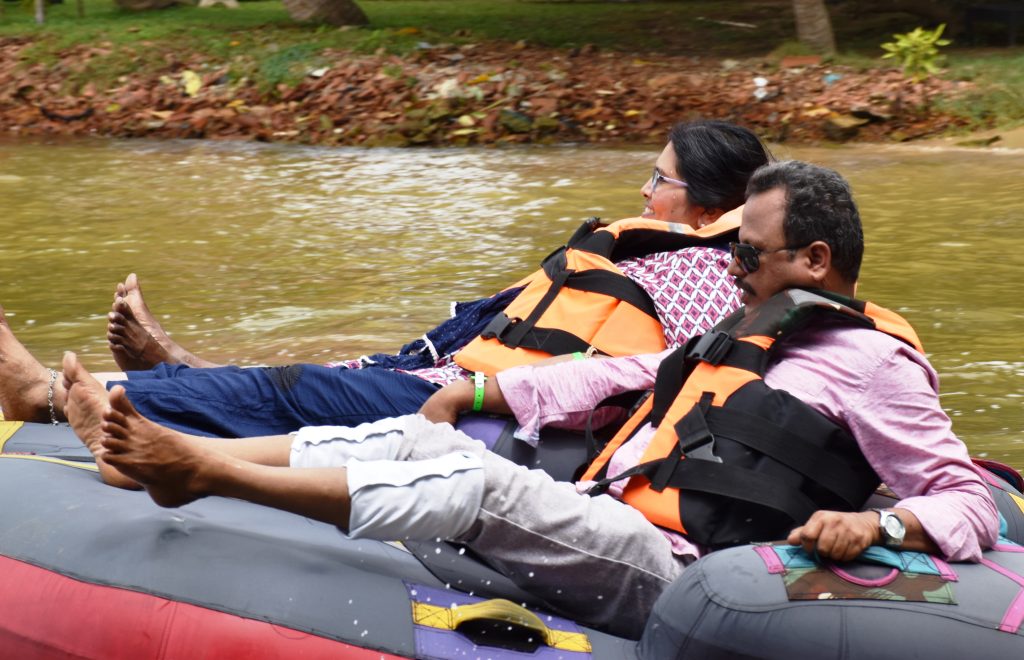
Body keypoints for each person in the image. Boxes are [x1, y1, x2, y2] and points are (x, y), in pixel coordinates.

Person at [62, 160, 998, 639]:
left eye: (747, 253)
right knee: (422, 438)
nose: (730, 267)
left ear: (816, 260)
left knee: (480, 485)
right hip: (611, 514)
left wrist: (880, 526)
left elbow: (964, 499)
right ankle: (177, 456)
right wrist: (481, 386)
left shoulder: (875, 365)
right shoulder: (746, 331)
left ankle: (203, 474)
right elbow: (613, 378)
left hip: (693, 575)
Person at [0, 120, 771, 437]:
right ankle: (181, 371)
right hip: (453, 377)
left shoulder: (711, 274)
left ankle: (47, 399)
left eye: (659, 179)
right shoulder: (647, 253)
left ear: (711, 203)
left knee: (296, 391)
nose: (644, 191)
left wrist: (483, 395)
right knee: (328, 375)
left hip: (487, 408)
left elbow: (657, 382)